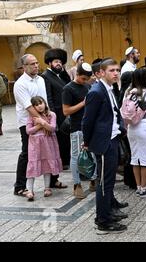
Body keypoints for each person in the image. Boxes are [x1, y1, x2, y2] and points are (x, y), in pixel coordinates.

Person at [82, 58, 128, 234]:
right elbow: (87, 121)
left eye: (117, 70)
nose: (116, 73)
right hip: (103, 143)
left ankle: (108, 211)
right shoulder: (96, 91)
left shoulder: (109, 88)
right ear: (101, 73)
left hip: (112, 139)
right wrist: (87, 143)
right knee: (104, 183)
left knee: (108, 182)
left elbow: (114, 113)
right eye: (111, 70)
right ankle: (103, 220)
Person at [13, 54, 48, 197]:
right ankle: (20, 186)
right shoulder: (20, 84)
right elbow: (29, 107)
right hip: (27, 123)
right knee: (27, 153)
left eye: (37, 62)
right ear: (24, 67)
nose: (36, 65)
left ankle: (50, 182)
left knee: (48, 150)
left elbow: (44, 101)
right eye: (32, 63)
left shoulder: (41, 79)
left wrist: (47, 118)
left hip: (44, 120)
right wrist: (43, 122)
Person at [62, 63, 96, 199]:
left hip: (89, 126)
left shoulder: (88, 86)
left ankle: (93, 180)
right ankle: (77, 184)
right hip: (76, 127)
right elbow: (66, 111)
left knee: (92, 154)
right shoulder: (68, 89)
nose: (84, 81)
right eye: (82, 78)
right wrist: (83, 103)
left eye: (86, 79)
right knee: (76, 156)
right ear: (77, 74)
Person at [125, 68, 146, 197]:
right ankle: (144, 188)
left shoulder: (128, 93)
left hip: (132, 128)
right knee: (145, 159)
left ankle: (138, 186)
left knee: (135, 158)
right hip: (145, 127)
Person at [24, 96, 63, 201]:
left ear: (45, 103)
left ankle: (47, 187)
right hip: (35, 146)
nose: (39, 106)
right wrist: (39, 126)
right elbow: (28, 131)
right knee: (32, 166)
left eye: (40, 103)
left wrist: (42, 122)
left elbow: (52, 128)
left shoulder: (52, 115)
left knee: (47, 165)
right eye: (36, 105)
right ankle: (29, 190)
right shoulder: (31, 117)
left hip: (48, 144)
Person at [42, 49, 71, 183]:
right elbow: (48, 97)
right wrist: (52, 115)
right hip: (57, 113)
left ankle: (66, 160)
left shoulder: (61, 75)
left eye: (60, 62)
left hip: (66, 112)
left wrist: (64, 71)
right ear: (49, 63)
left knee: (66, 138)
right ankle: (62, 162)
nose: (58, 64)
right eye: (56, 61)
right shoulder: (46, 76)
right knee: (60, 139)